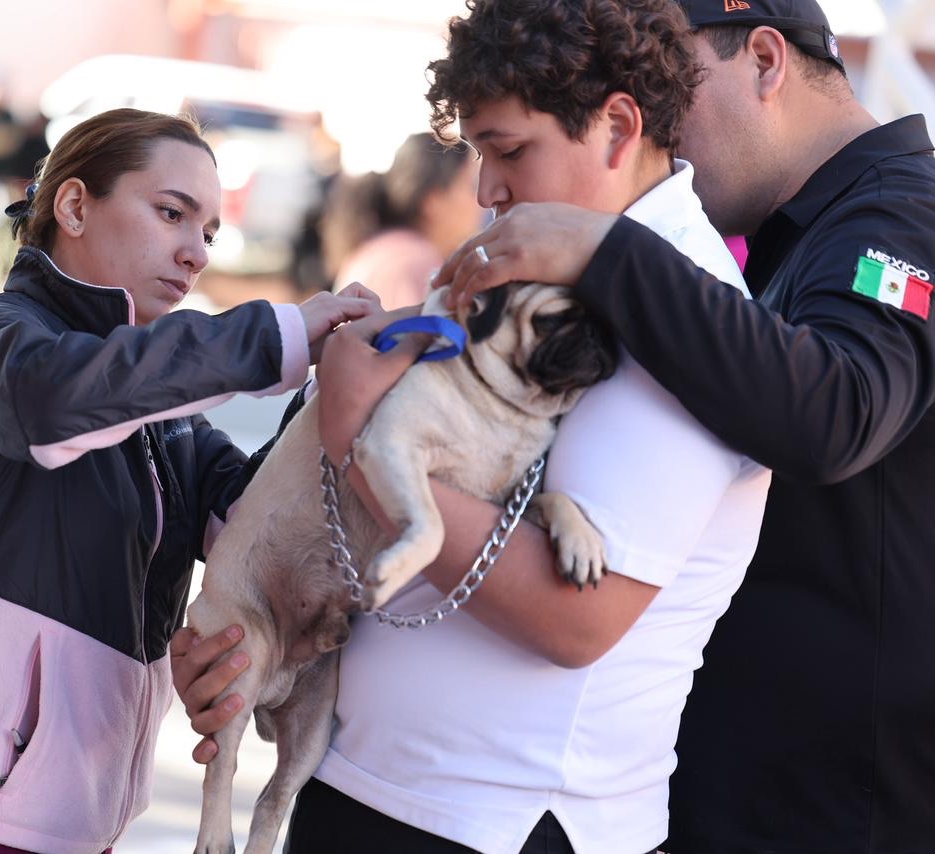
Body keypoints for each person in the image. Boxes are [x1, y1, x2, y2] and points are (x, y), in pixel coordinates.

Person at [173, 1, 770, 852]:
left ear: (617, 127)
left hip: (494, 822)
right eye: (477, 154)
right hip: (365, 781)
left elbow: (574, 619)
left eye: (509, 150)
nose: (485, 188)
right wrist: (240, 646)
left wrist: (354, 432)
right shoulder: (523, 249)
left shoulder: (689, 312)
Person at [437, 2, 935, 852]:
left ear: (767, 62)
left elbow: (836, 412)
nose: (655, 118)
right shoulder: (782, 233)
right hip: (743, 784)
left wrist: (604, 251)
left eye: (670, 82)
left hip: (840, 801)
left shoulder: (899, 217)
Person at [0, 107, 378, 854]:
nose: (195, 254)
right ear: (75, 205)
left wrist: (334, 395)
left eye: (209, 232)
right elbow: (59, 401)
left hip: (79, 828)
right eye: (172, 214)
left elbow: (265, 522)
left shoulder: (168, 419)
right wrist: (274, 336)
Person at [320, 132, 482, 309]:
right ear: (433, 201)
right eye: (473, 186)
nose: (483, 199)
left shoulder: (388, 249)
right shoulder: (415, 261)